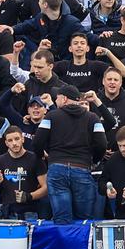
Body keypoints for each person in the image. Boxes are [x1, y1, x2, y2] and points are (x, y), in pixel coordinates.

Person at [34, 85, 107, 222]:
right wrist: (93, 161)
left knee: (62, 219)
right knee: (84, 221)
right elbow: (102, 144)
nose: (56, 101)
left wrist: (44, 155)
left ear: (64, 99)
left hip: (57, 169)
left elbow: (37, 142)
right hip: (82, 168)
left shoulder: (51, 116)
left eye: (57, 98)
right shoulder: (92, 117)